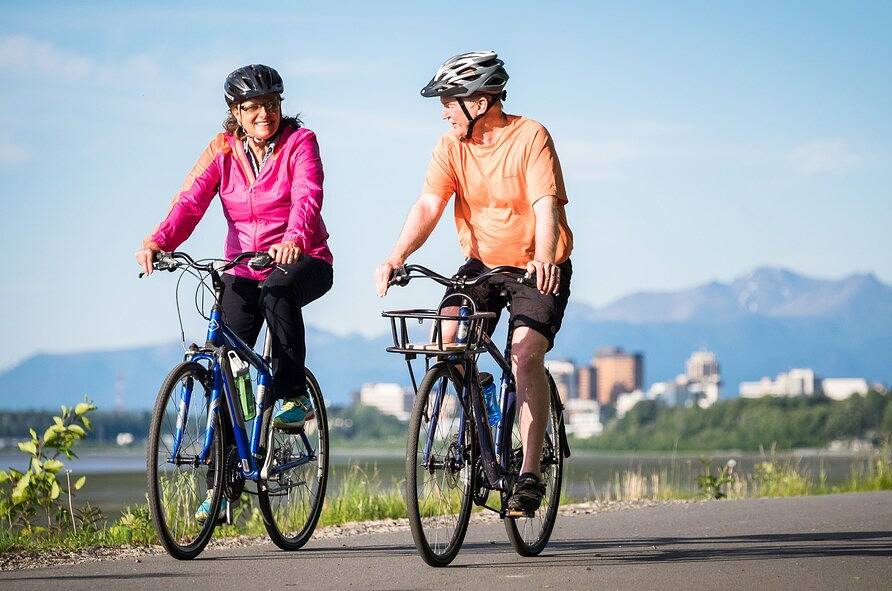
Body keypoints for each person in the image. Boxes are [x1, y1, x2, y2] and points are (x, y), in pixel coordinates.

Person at [375, 51, 574, 516]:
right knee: (446, 335)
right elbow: (429, 204)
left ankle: (527, 475)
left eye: (449, 99)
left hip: (534, 265)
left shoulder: (531, 137)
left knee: (525, 354)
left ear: (480, 102)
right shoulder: (450, 146)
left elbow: (546, 204)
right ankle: (481, 397)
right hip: (482, 262)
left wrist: (544, 258)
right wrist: (397, 254)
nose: (443, 109)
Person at [135, 64, 333, 522]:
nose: (263, 114)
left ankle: (290, 394)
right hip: (244, 266)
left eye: (271, 104)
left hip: (303, 258)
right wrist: (158, 241)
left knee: (279, 291)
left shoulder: (301, 143)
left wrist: (294, 239)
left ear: (281, 105)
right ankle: (223, 485)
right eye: (252, 107)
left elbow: (308, 196)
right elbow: (190, 200)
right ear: (236, 112)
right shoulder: (221, 150)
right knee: (223, 364)